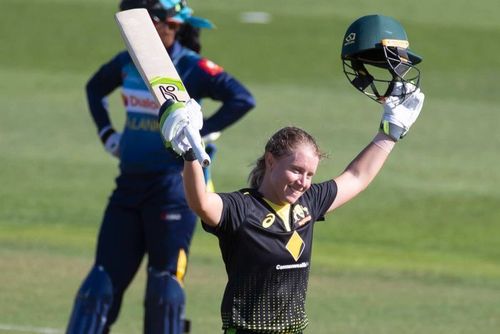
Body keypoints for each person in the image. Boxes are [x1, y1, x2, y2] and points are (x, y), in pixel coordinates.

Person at [158, 14, 424, 333]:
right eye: (296, 170)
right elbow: (200, 203)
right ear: (271, 161)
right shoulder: (241, 209)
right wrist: (190, 154)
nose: (303, 181)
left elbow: (357, 177)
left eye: (309, 174)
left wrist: (390, 132)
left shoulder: (307, 204)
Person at [66, 0, 255, 333]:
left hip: (172, 190)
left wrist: (202, 130)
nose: (173, 29)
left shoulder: (191, 66)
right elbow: (94, 88)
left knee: (164, 287)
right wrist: (107, 134)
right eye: (169, 23)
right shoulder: (127, 63)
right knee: (99, 283)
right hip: (128, 187)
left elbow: (242, 98)